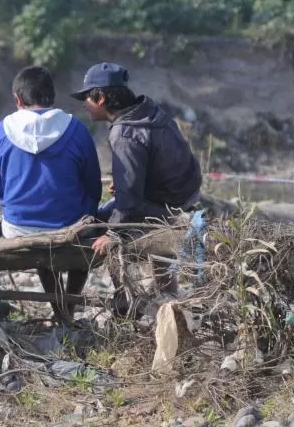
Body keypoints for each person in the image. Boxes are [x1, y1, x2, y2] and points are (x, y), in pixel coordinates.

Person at [72, 62, 202, 294]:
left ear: (100, 98)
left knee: (94, 227)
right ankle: (166, 289)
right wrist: (127, 181)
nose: (84, 104)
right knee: (114, 211)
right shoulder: (148, 112)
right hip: (182, 193)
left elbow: (129, 202)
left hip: (167, 207)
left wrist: (112, 233)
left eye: (87, 98)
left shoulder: (125, 132)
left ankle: (125, 297)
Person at [0, 66, 102, 319]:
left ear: (18, 99)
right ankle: (68, 310)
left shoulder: (3, 129)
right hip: (71, 228)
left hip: (18, 228)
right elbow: (93, 185)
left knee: (42, 241)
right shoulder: (76, 129)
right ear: (52, 96)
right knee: (83, 227)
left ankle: (59, 309)